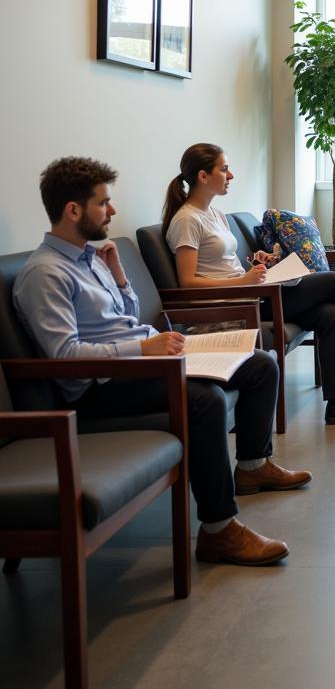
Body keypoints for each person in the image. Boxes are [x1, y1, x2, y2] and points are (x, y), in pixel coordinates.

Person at [13, 157, 311, 567]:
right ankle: (219, 531)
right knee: (204, 400)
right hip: (100, 388)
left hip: (147, 359)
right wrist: (141, 350)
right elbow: (65, 357)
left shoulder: (89, 258)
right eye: (104, 203)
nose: (112, 211)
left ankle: (253, 465)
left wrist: (119, 280)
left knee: (260, 363)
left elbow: (126, 319)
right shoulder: (44, 274)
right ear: (73, 210)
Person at [162, 144, 335, 426]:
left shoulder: (215, 215)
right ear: (203, 176)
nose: (231, 175)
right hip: (235, 306)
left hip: (251, 293)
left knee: (330, 315)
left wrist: (256, 263)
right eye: (224, 169)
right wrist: (244, 282)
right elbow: (187, 282)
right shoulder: (186, 220)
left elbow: (222, 266)